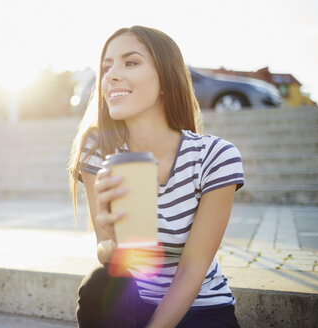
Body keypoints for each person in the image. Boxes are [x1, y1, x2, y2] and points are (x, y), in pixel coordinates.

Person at [68, 26, 244, 328]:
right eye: (106, 66)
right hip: (134, 302)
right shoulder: (98, 153)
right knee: (99, 283)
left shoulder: (215, 156)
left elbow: (193, 267)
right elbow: (106, 254)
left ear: (165, 78)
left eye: (130, 62)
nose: (111, 75)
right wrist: (112, 237)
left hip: (201, 308)